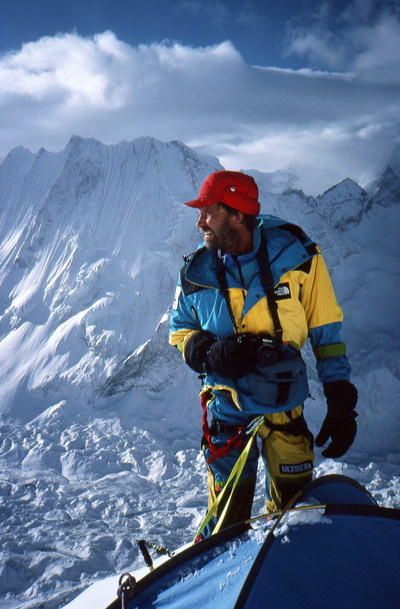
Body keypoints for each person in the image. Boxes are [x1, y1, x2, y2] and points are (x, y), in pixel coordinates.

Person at [169, 170, 358, 537]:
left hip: (285, 406)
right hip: (226, 412)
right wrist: (208, 352)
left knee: (297, 517)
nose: (199, 222)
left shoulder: (298, 257)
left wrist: (340, 395)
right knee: (225, 525)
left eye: (208, 212)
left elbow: (325, 328)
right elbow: (178, 329)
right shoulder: (196, 271)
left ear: (237, 214)